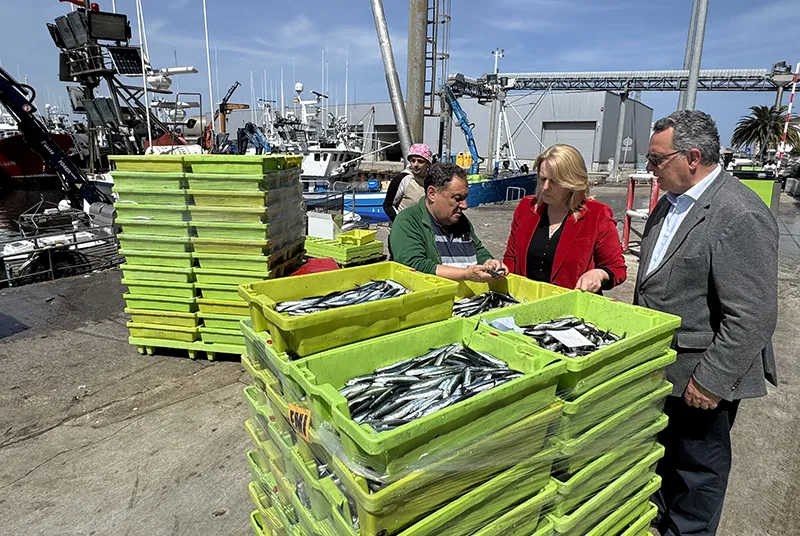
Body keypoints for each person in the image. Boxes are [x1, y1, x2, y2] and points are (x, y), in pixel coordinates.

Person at [635, 110, 778, 536]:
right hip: (662, 369)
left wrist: (712, 380)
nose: (650, 169)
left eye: (657, 160)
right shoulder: (670, 203)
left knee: (697, 475)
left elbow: (753, 313)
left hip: (699, 378)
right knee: (663, 464)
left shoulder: (739, 214)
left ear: (692, 156)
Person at [503, 144, 626, 291]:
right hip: (526, 301)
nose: (545, 187)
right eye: (542, 179)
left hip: (570, 307)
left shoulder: (597, 215)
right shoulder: (526, 208)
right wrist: (499, 268)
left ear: (572, 182)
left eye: (554, 181)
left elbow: (616, 268)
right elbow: (511, 259)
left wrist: (599, 274)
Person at [389, 162, 508, 282]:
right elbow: (414, 266)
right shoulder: (408, 221)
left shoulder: (461, 221)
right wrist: (465, 274)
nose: (465, 205)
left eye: (465, 197)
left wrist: (489, 262)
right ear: (432, 194)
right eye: (457, 198)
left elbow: (477, 249)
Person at [383, 143, 432, 222]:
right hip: (403, 228)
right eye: (413, 160)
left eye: (420, 161)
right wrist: (399, 222)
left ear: (428, 164)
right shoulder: (402, 179)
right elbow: (388, 205)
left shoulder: (430, 181)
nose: (416, 164)